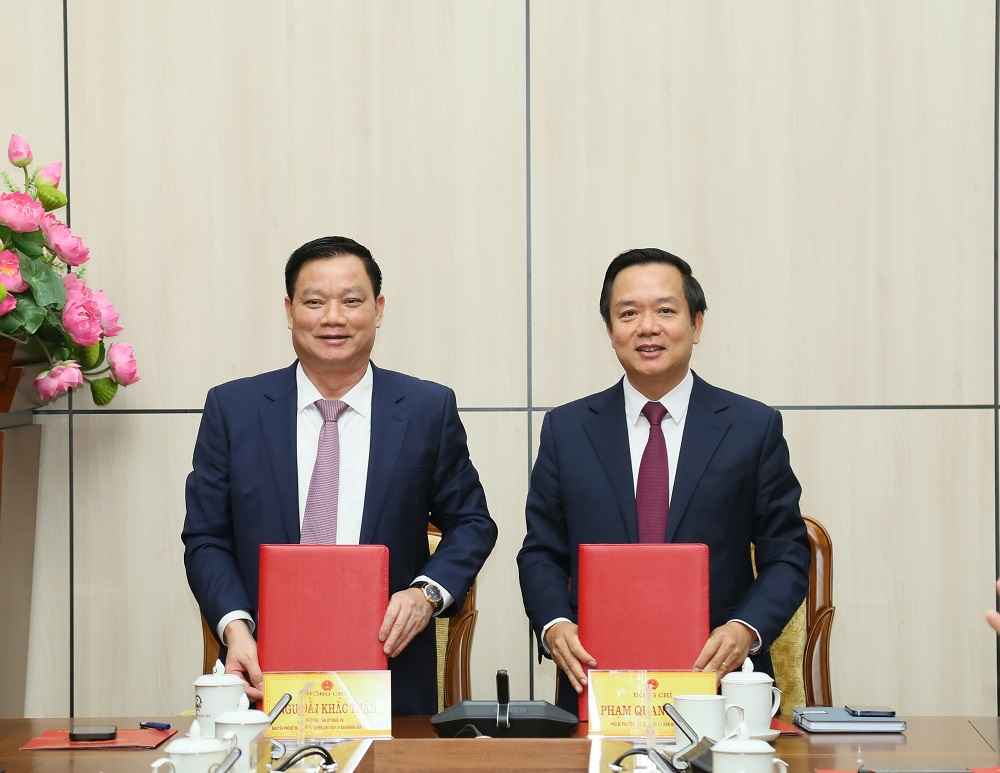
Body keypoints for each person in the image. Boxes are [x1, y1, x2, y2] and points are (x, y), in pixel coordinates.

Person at [183, 236, 497, 715]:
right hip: (262, 673)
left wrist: (426, 594)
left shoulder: (426, 409)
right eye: (314, 302)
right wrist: (234, 626)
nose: (333, 318)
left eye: (352, 301)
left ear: (378, 308)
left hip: (389, 675)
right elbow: (206, 536)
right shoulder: (234, 409)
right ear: (289, 310)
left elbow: (473, 524)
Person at [517, 247, 810, 714]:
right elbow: (540, 552)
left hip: (719, 682)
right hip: (598, 683)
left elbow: (788, 553)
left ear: (696, 325)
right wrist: (554, 624)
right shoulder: (567, 430)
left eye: (665, 311)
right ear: (611, 330)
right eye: (628, 313)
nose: (647, 327)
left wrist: (744, 629)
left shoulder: (752, 427)